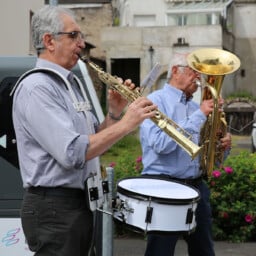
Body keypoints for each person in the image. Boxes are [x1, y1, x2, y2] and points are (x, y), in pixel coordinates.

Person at [12, 5, 157, 256]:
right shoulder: (37, 87)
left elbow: (92, 140)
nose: (82, 43)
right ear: (49, 41)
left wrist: (114, 113)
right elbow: (72, 152)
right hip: (54, 205)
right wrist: (127, 123)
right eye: (74, 36)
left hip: (75, 204)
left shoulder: (71, 82)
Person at [139, 52, 232, 256]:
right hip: (164, 187)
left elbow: (211, 160)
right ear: (175, 71)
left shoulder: (195, 107)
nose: (199, 78)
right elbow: (159, 144)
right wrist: (200, 116)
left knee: (204, 251)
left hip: (196, 187)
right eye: (193, 71)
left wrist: (222, 145)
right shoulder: (154, 101)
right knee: (160, 252)